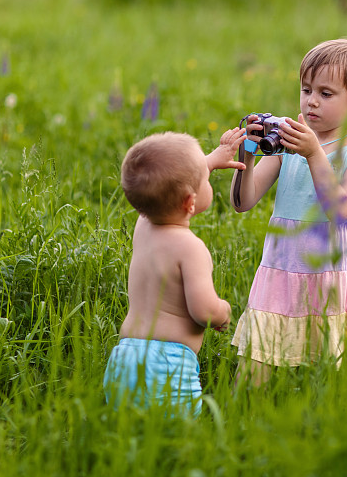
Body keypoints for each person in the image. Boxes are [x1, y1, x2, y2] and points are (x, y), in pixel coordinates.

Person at [230, 38, 347, 386]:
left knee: (341, 381)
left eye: (326, 94)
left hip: (333, 279)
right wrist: (249, 154)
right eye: (306, 89)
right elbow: (243, 202)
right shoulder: (288, 147)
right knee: (252, 377)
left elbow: (341, 210)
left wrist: (314, 154)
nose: (312, 100)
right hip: (281, 272)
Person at [104, 128, 246, 416]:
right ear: (189, 203)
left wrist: (211, 160)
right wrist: (224, 311)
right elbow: (204, 311)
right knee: (175, 440)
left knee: (126, 436)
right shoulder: (189, 248)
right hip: (167, 362)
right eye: (205, 179)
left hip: (124, 356)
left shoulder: (143, 225)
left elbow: (169, 184)